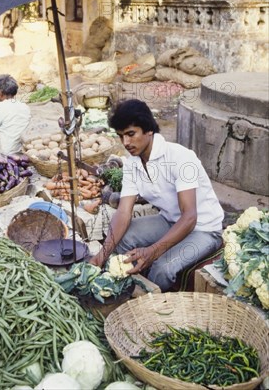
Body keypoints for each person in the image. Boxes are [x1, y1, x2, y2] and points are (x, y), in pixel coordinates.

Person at [89, 99, 224, 291]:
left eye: (130, 134)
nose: (126, 143)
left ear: (149, 130)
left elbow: (190, 217)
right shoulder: (132, 164)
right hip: (169, 221)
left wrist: (153, 251)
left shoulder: (180, 157)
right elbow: (123, 213)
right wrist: (102, 255)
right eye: (121, 136)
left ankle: (150, 308)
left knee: (162, 268)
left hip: (203, 230)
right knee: (124, 238)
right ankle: (118, 288)